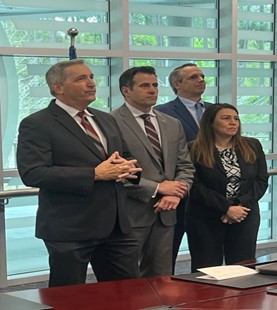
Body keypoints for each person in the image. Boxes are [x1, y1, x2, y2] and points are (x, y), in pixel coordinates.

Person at [16, 59, 142, 287]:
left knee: (126, 293)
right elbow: (33, 173)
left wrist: (129, 168)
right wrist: (93, 174)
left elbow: (125, 156)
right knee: (69, 297)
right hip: (70, 228)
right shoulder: (37, 123)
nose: (91, 83)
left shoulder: (105, 119)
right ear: (58, 87)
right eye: (81, 78)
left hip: (116, 227)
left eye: (92, 77)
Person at [111, 66, 195, 277]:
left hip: (166, 214)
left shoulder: (172, 124)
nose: (152, 90)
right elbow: (117, 172)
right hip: (130, 215)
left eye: (155, 85)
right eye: (144, 86)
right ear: (126, 90)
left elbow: (185, 166)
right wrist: (158, 188)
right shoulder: (110, 122)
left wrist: (177, 192)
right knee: (126, 280)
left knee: (161, 277)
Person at [185, 103, 268, 272]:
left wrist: (239, 206)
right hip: (204, 217)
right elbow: (193, 185)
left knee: (243, 269)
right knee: (206, 270)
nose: (233, 122)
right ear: (210, 123)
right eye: (226, 118)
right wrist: (226, 208)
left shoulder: (252, 145)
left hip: (244, 215)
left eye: (236, 118)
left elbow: (261, 180)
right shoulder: (193, 148)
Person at [155, 63, 212, 273]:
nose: (201, 80)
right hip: (179, 190)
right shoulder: (163, 113)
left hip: (209, 191)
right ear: (177, 84)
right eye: (194, 77)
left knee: (208, 255)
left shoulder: (215, 110)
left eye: (202, 76)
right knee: (166, 252)